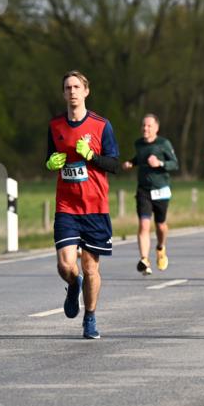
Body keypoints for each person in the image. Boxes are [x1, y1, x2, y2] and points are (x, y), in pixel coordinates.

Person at [45, 70, 120, 340]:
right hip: (67, 206)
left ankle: (90, 317)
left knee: (90, 268)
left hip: (95, 207)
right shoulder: (55, 126)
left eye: (77, 87)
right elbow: (50, 156)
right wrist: (50, 163)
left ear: (86, 91)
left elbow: (114, 164)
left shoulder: (101, 125)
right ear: (63, 93)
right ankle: (73, 283)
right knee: (66, 265)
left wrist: (92, 156)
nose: (72, 91)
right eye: (68, 88)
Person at [122, 114, 179, 274]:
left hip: (161, 190)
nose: (145, 128)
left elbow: (175, 164)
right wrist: (131, 163)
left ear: (156, 128)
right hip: (144, 190)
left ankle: (161, 248)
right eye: (143, 125)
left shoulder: (163, 143)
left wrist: (159, 163)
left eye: (149, 126)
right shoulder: (139, 144)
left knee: (160, 225)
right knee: (144, 224)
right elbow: (139, 158)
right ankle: (144, 260)